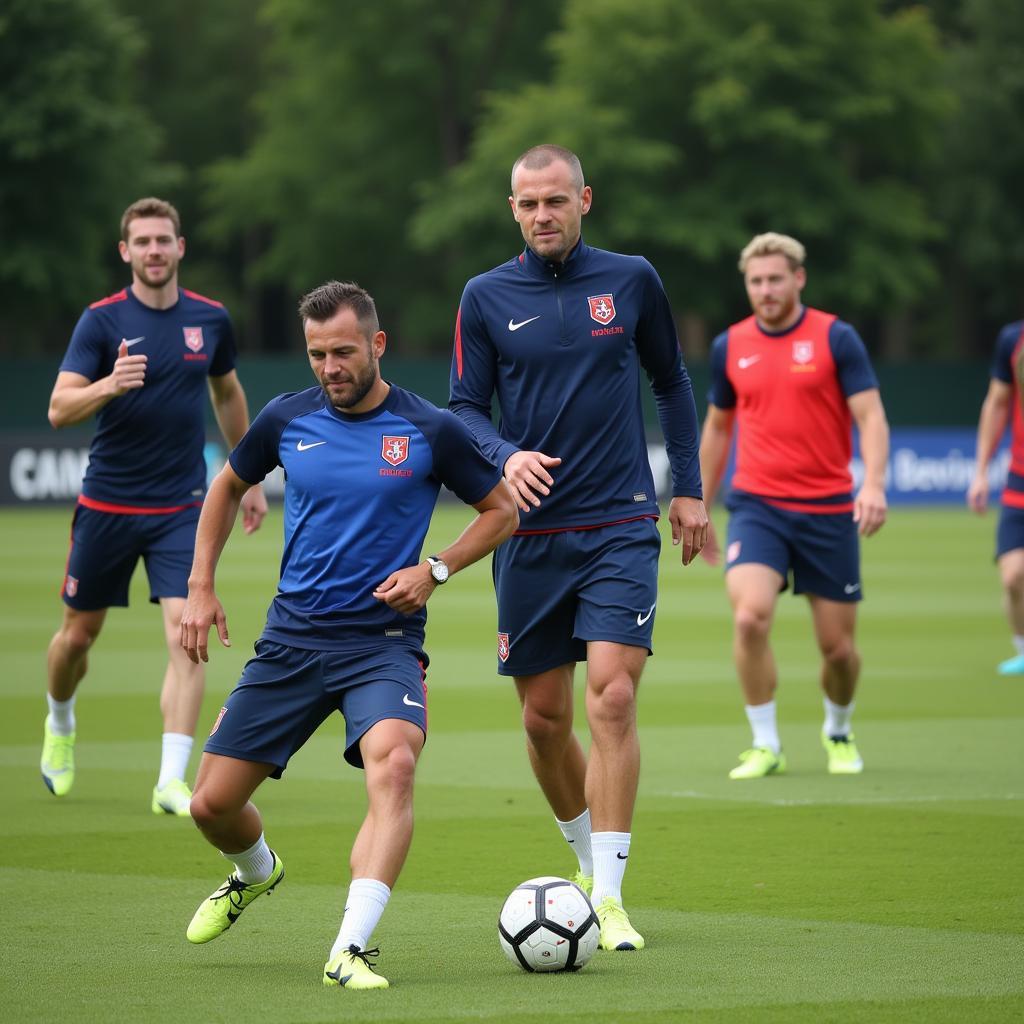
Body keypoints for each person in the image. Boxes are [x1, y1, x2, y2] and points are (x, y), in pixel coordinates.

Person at [180, 280, 516, 990]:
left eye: (342, 351)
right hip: (291, 642)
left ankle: (349, 949)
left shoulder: (429, 429)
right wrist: (200, 586)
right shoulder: (284, 418)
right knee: (209, 806)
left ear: (377, 344)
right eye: (316, 354)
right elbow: (224, 487)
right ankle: (255, 873)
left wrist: (436, 569)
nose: (330, 367)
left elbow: (501, 511)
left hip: (382, 645)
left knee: (393, 766)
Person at [449, 144, 707, 952]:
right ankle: (585, 865)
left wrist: (690, 489)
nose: (541, 216)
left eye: (555, 201)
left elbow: (672, 381)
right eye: (527, 205)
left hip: (620, 522)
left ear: (584, 199)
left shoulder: (632, 280)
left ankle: (610, 894)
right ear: (512, 209)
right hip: (525, 534)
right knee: (542, 720)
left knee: (614, 698)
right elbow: (463, 409)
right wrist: (503, 457)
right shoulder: (484, 296)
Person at [40, 197, 267, 814]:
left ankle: (171, 778)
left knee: (183, 632)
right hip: (106, 505)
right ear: (126, 252)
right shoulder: (101, 322)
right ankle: (60, 721)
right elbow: (60, 410)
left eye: (163, 240)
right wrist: (109, 385)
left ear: (180, 247)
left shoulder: (210, 319)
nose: (154, 251)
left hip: (179, 507)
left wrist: (243, 478)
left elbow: (226, 392)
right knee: (76, 639)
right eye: (142, 242)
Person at [698, 232, 889, 779]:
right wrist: (701, 504)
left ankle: (839, 728)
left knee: (837, 651)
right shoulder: (729, 345)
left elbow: (871, 416)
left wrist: (871, 484)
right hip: (757, 506)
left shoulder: (837, 338)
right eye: (756, 281)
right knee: (750, 617)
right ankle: (765, 743)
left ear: (798, 278)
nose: (765, 290)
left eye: (775, 278)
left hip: (828, 510)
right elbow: (717, 429)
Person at [967, 319, 1024, 674]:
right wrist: (981, 472)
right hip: (1020, 478)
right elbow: (997, 403)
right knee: (1013, 575)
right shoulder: (1013, 339)